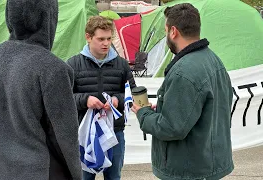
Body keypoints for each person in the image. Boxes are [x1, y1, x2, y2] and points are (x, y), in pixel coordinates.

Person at [0, 0, 81, 179]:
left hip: (2, 170)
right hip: (43, 171)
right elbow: (65, 138)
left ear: (10, 15)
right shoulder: (53, 68)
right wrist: (77, 174)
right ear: (48, 17)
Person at [131, 3, 234, 180]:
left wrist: (144, 113)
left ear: (173, 31)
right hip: (208, 163)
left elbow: (171, 128)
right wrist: (166, 107)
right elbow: (204, 108)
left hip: (189, 170)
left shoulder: (184, 71)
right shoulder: (213, 59)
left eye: (165, 31)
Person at [67, 16, 136, 180]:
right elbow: (64, 98)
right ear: (88, 37)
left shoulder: (122, 64)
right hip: (83, 134)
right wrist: (85, 100)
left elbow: (131, 93)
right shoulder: (73, 64)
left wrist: (117, 100)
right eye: (101, 39)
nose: (106, 43)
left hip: (115, 133)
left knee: (114, 177)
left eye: (109, 38)